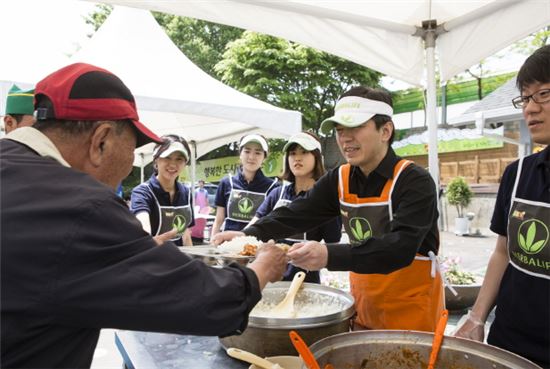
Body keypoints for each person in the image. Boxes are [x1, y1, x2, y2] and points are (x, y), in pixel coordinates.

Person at [0, 62, 287, 368]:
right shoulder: (80, 207)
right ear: (101, 141)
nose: (128, 166)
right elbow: (202, 300)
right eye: (133, 150)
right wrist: (262, 270)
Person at [214, 86, 444, 332]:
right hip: (364, 303)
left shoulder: (414, 181)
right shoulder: (340, 178)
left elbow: (401, 247)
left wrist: (328, 255)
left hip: (412, 311)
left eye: (355, 127)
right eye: (339, 130)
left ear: (385, 131)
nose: (345, 138)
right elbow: (298, 212)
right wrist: (250, 234)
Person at [455, 45, 550, 368]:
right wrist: (477, 316)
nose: (530, 109)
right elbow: (502, 251)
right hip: (508, 341)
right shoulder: (518, 173)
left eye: (544, 95)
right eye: (525, 97)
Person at [247, 132, 342, 283]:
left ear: (317, 157)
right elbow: (255, 225)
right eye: (292, 153)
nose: (297, 158)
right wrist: (238, 238)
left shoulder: (326, 200)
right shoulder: (277, 193)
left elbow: (332, 245)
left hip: (305, 281)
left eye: (304, 152)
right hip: (270, 278)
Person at [131, 135, 195, 246]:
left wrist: (193, 259)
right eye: (167, 157)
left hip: (179, 260)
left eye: (179, 159)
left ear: (185, 163)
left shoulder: (186, 193)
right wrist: (148, 242)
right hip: (152, 258)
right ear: (156, 161)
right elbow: (143, 227)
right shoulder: (142, 192)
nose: (173, 164)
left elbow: (185, 234)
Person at [211, 134, 278, 236]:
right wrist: (213, 239)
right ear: (240, 154)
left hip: (257, 244)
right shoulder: (226, 182)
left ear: (264, 157)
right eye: (247, 151)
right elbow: (219, 219)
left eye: (258, 153)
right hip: (227, 243)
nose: (251, 157)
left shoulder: (273, 187)